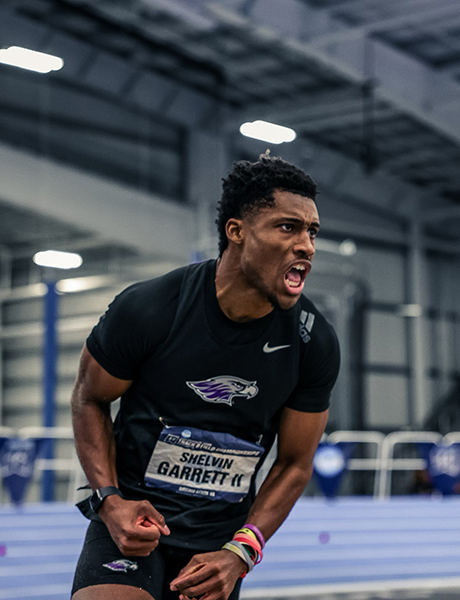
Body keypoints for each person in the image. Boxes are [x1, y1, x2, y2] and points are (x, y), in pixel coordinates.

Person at [70, 155, 340, 600]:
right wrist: (109, 500)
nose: (307, 245)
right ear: (236, 232)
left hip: (219, 546)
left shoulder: (314, 342)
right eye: (288, 227)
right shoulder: (151, 307)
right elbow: (89, 397)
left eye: (312, 232)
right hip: (132, 525)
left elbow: (294, 463)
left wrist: (242, 552)